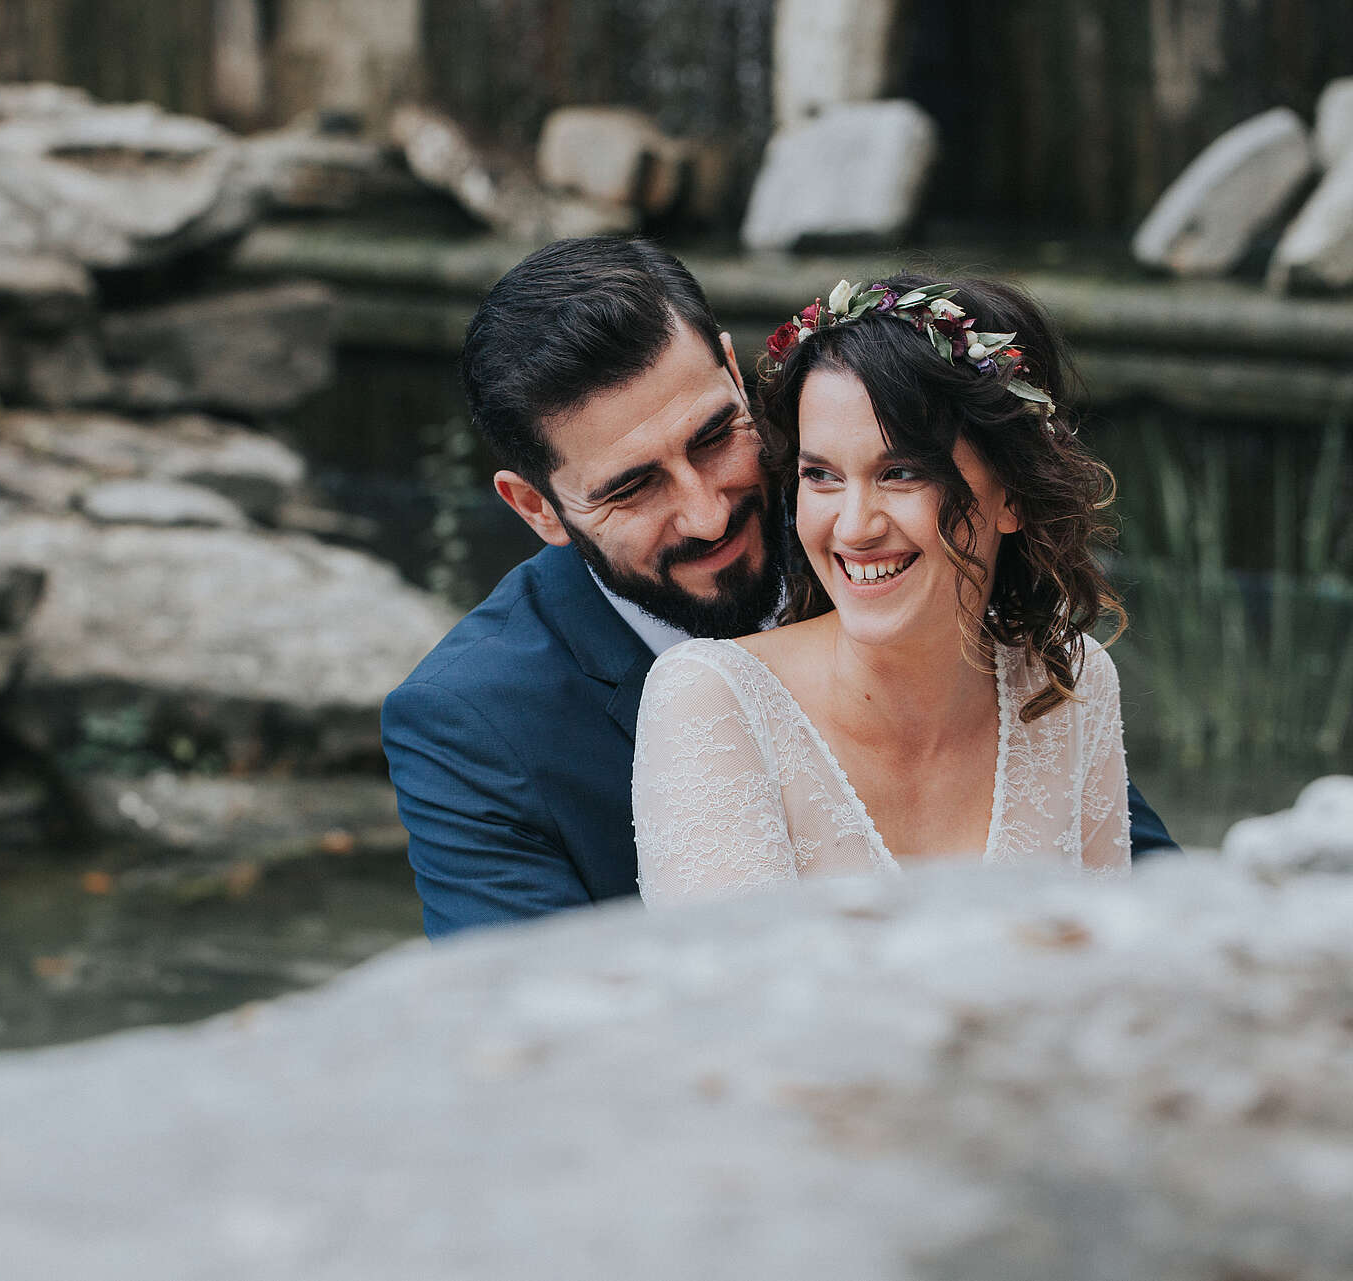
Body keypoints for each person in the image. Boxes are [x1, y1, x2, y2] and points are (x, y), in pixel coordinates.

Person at [382, 240, 1173, 938]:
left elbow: (1125, 870)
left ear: (734, 372)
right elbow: (542, 1046)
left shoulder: (880, 532)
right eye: (633, 489)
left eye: (714, 435)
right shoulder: (472, 721)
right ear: (535, 507)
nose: (708, 510)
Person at [634, 274, 1130, 900]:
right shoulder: (714, 699)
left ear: (1012, 495)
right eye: (822, 475)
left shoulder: (1074, 686)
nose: (853, 527)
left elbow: (1112, 966)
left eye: (899, 473)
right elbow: (733, 990)